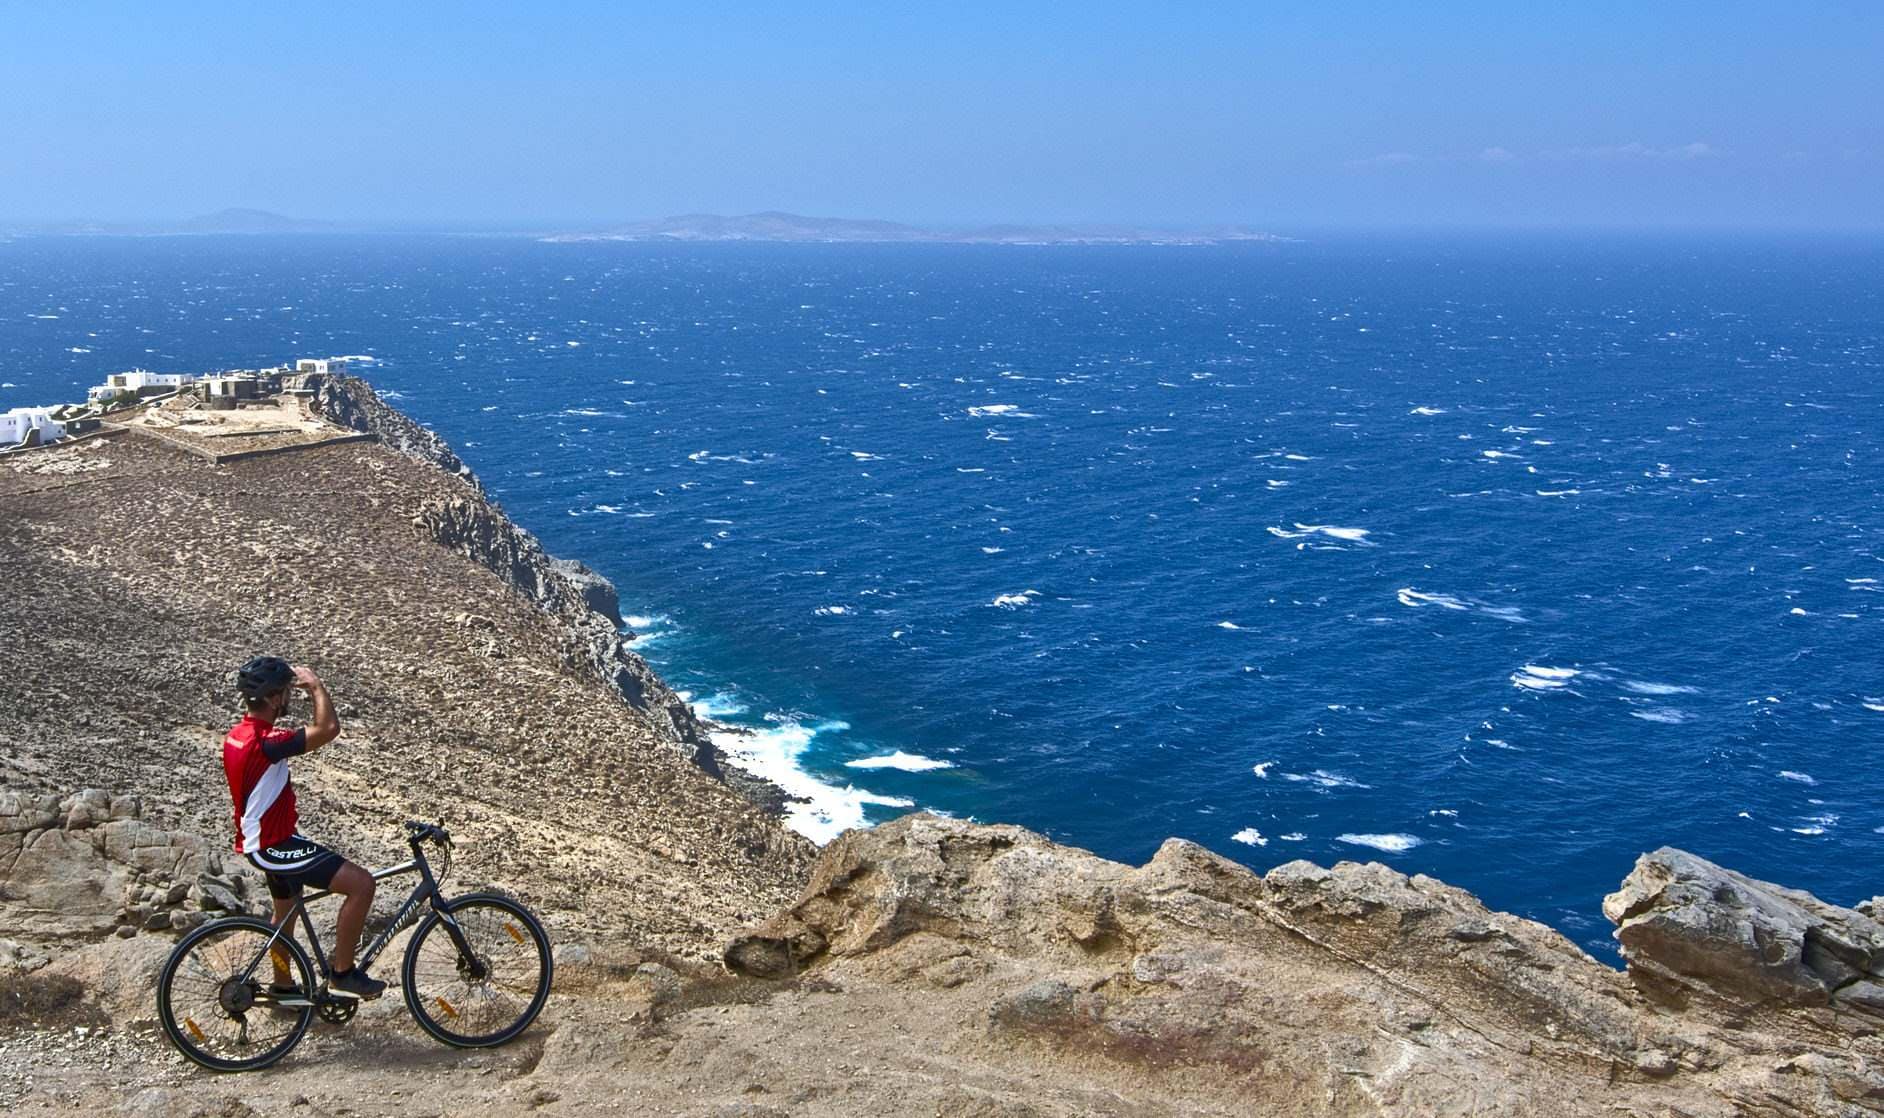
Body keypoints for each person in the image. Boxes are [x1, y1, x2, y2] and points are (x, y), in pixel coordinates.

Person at [223, 656, 385, 1000]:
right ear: (273, 697)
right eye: (285, 693)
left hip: (261, 841)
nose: (288, 699)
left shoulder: (236, 736)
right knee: (361, 885)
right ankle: (343, 974)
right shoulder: (265, 741)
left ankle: (283, 987)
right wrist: (315, 686)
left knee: (284, 916)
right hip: (273, 844)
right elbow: (327, 729)